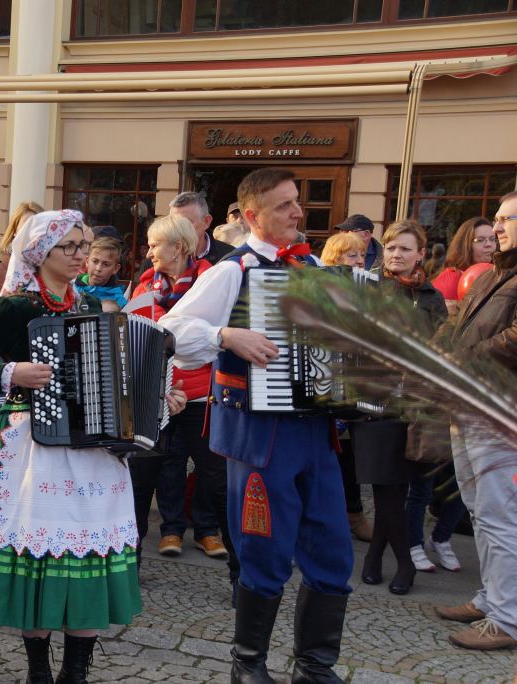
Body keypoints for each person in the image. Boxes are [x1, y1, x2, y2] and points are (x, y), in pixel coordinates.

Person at [159, 168, 353, 683]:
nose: (298, 212)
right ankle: (248, 664)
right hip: (259, 435)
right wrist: (227, 335)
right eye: (285, 205)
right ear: (251, 216)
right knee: (263, 550)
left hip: (317, 430)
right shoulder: (234, 270)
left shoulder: (314, 267)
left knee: (331, 547)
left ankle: (314, 666)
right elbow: (169, 328)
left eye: (297, 203)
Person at [0, 210, 148, 684]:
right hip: (33, 449)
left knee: (88, 557)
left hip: (92, 454)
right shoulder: (14, 307)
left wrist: (155, 398)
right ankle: (38, 670)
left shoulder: (92, 307)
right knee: (40, 561)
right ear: (41, 253)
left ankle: (75, 672)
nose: (81, 254)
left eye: (84, 246)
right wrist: (7, 373)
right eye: (71, 247)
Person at [433, 191, 517, 651]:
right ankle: (492, 599)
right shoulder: (495, 274)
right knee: (482, 510)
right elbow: (459, 321)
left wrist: (460, 359)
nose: (497, 227)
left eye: (507, 219)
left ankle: (508, 619)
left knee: (500, 514)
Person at [353, 220, 447, 596]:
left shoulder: (431, 297)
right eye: (391, 248)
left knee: (398, 484)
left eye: (405, 249)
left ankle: (375, 554)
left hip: (415, 400)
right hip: (374, 398)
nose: (396, 255)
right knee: (384, 484)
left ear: (421, 254)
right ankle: (405, 562)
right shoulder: (368, 286)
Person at [128, 216, 229, 563]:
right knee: (157, 470)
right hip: (157, 396)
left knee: (213, 471)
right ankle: (161, 535)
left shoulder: (212, 284)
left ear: (179, 248)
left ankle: (208, 530)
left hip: (204, 394)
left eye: (156, 244)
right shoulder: (144, 288)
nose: (149, 251)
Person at [318, 230, 374, 542]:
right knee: (327, 455)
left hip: (354, 381)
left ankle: (353, 514)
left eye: (362, 255)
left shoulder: (366, 290)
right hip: (326, 379)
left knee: (350, 455)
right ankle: (327, 519)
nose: (359, 261)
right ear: (335, 258)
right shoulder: (321, 288)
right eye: (351, 255)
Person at [432, 217, 496, 316]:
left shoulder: (495, 273)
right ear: (465, 245)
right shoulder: (452, 278)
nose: (489, 244)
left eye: (492, 239)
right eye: (480, 240)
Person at [0, 201, 42, 296]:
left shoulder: (49, 263)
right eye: (25, 226)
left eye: (36, 226)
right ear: (15, 231)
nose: (30, 231)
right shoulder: (3, 267)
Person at [75, 236, 127, 311]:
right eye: (95, 261)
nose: (98, 268)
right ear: (87, 261)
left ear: (115, 269)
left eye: (106, 264)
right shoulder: (72, 289)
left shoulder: (119, 301)